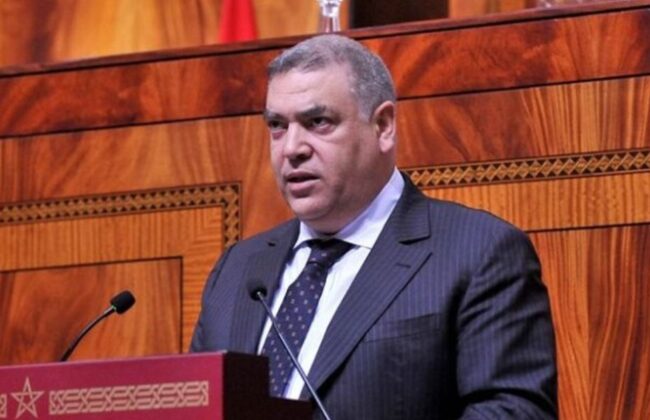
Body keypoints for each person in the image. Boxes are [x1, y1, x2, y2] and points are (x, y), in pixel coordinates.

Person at [191, 34, 557, 419]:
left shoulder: (478, 253)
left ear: (383, 126)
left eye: (318, 122)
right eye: (277, 126)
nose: (292, 148)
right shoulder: (236, 270)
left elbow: (514, 412)